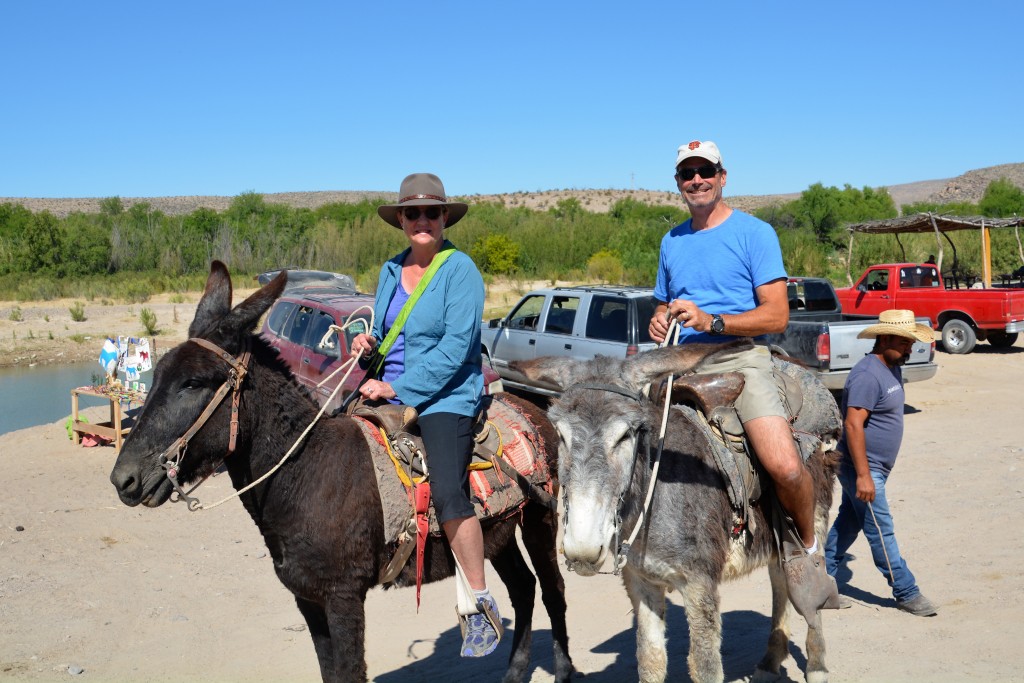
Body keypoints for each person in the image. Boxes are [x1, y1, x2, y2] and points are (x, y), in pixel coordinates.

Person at [648, 139, 838, 609]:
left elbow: (776, 317)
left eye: (704, 171)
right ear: (677, 183)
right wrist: (658, 318)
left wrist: (713, 321)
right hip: (682, 363)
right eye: (687, 173)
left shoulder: (755, 233)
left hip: (741, 358)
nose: (696, 179)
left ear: (722, 176)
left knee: (784, 465)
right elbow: (664, 302)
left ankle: (807, 552)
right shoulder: (671, 241)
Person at [349, 172, 502, 657]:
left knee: (448, 489)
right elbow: (384, 335)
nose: (421, 220)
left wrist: (397, 385)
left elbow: (459, 348)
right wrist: (366, 349)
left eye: (431, 213)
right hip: (387, 389)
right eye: (412, 213)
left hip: (445, 395)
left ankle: (479, 604)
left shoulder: (461, 271)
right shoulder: (390, 271)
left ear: (443, 218)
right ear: (400, 220)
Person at [825, 309, 938, 617]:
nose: (910, 348)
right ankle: (905, 590)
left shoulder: (891, 367)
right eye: (904, 342)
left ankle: (818, 581)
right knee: (880, 529)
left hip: (872, 469)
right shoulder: (866, 375)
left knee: (849, 524)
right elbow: (852, 425)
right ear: (884, 338)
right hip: (861, 468)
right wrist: (864, 475)